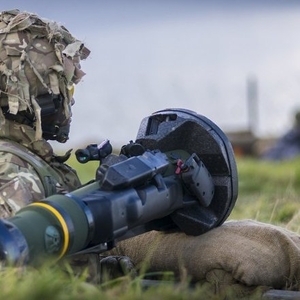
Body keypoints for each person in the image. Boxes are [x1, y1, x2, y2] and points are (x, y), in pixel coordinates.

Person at [1, 9, 300, 299]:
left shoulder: (22, 159)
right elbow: (25, 270)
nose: (71, 100)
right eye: (66, 87)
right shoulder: (15, 173)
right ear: (37, 98)